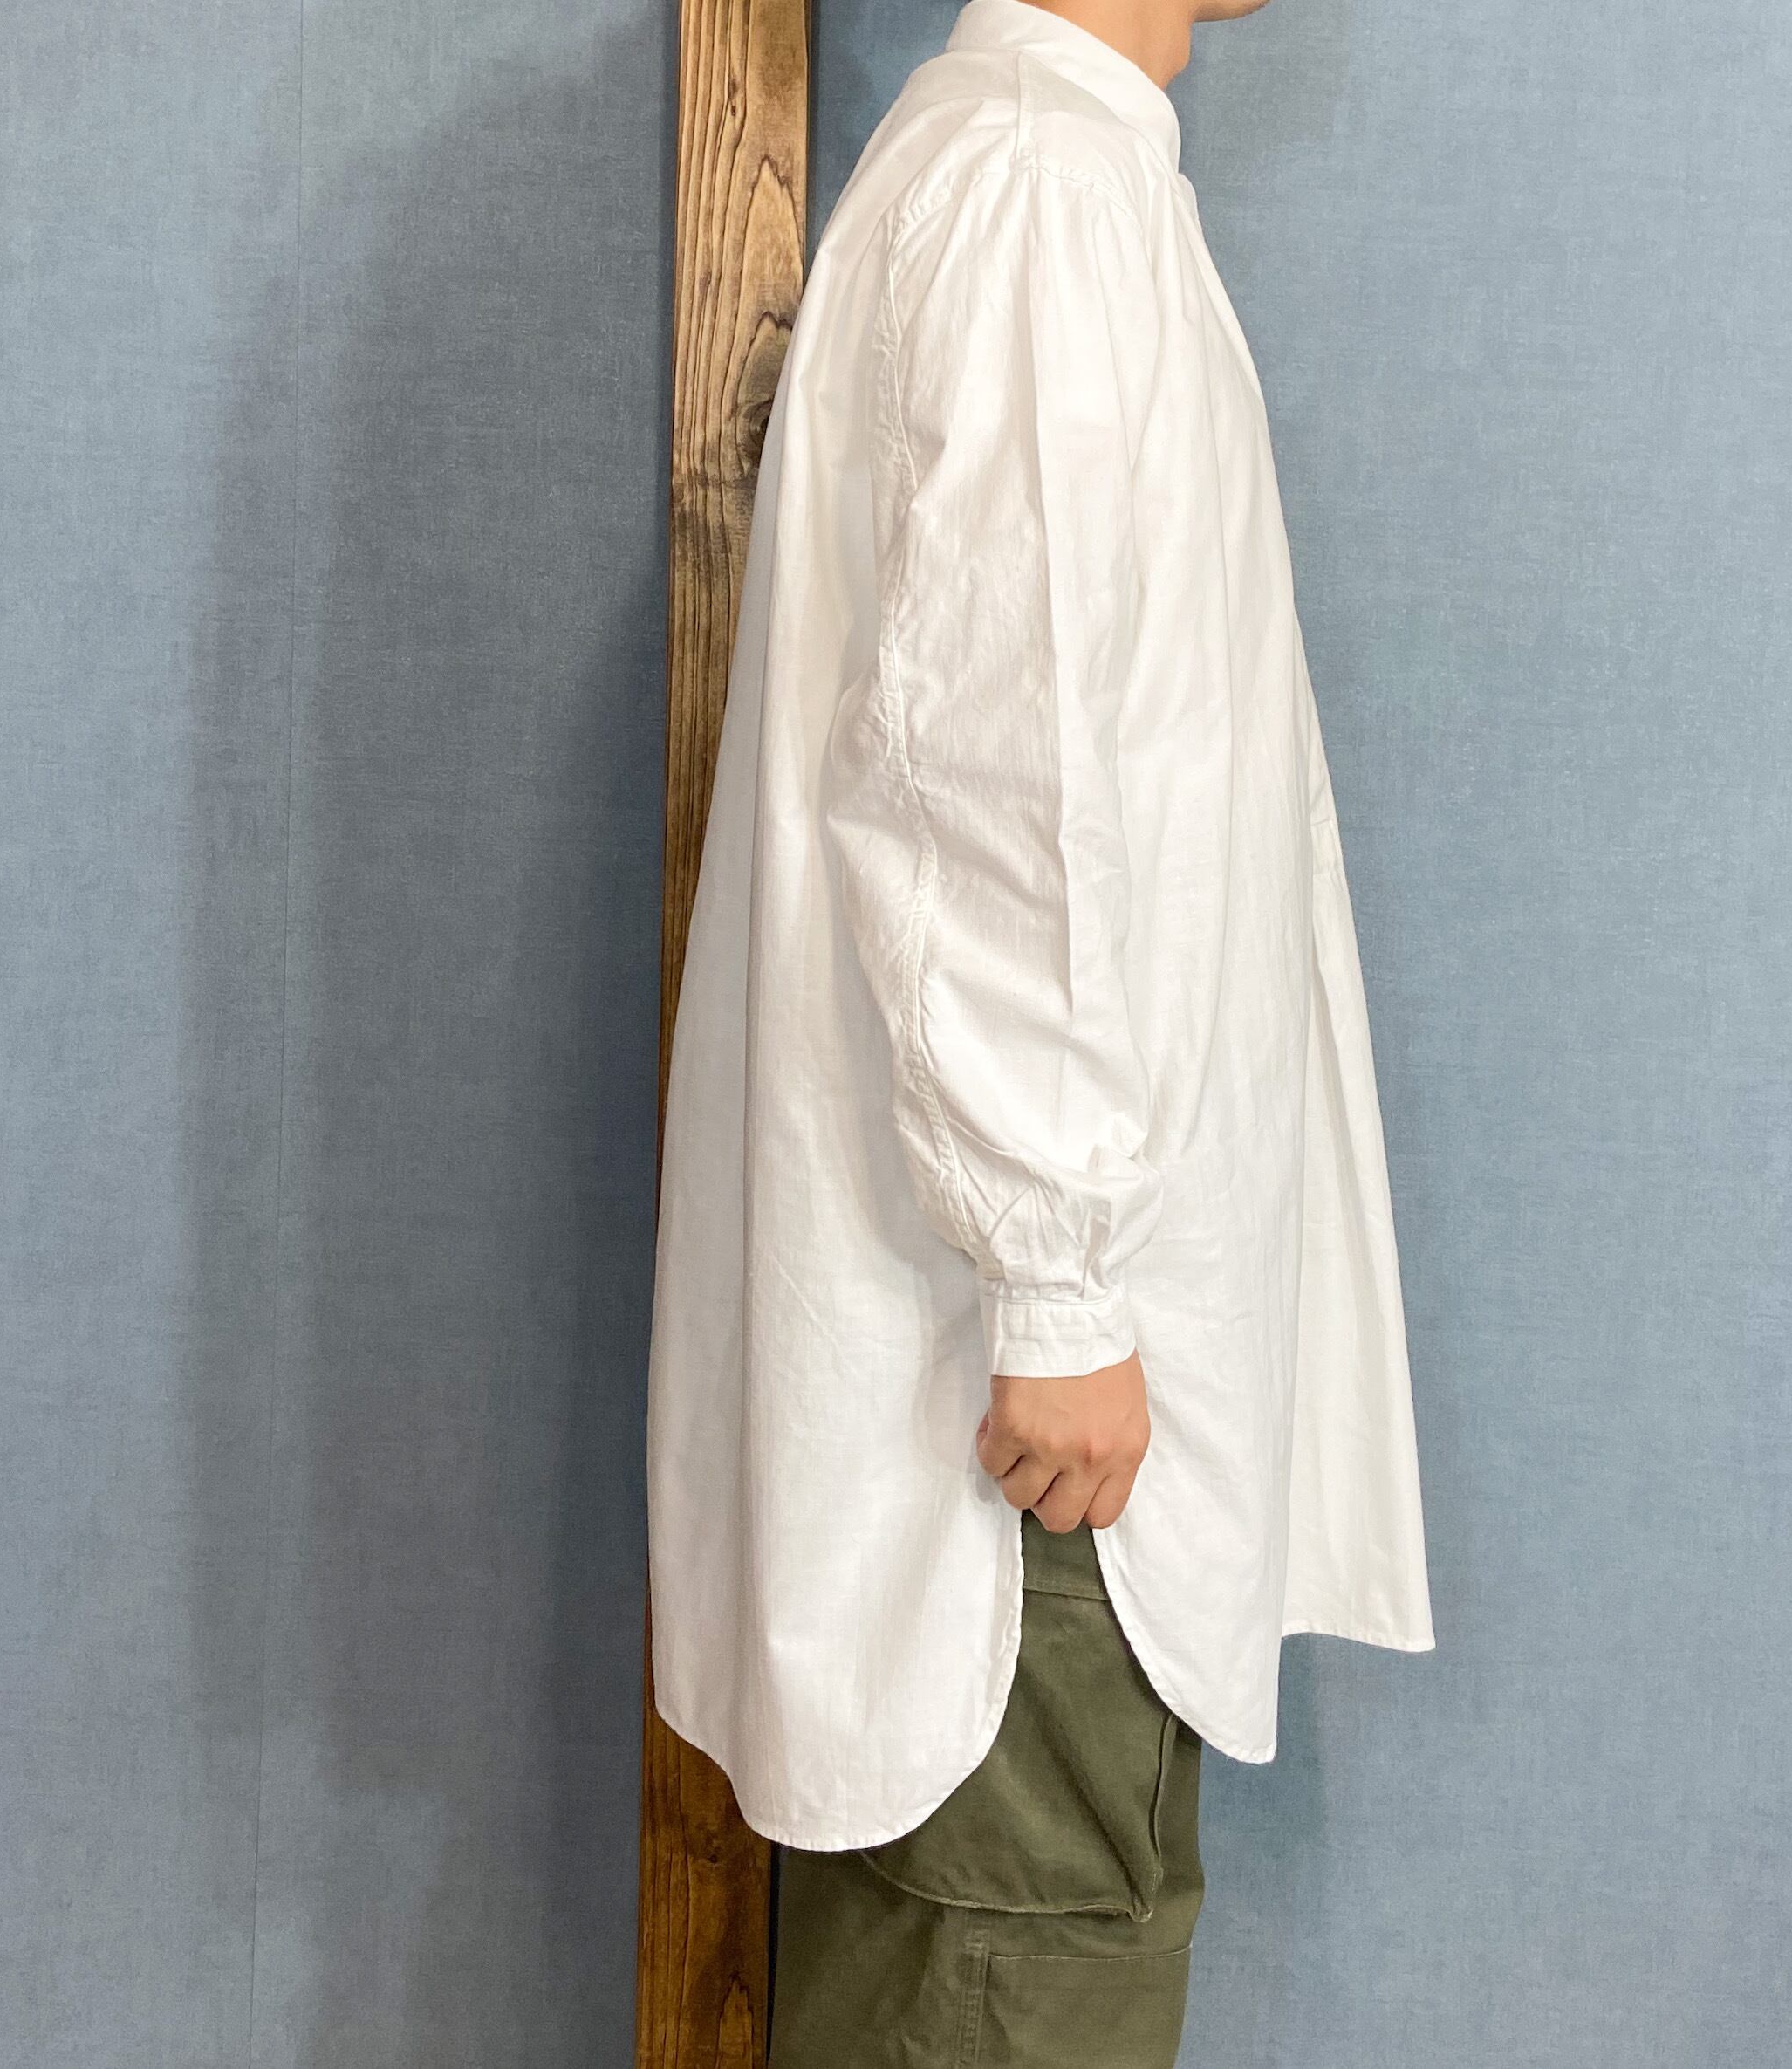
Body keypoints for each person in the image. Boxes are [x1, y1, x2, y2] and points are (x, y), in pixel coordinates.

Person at [645, 1, 1436, 2059]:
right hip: (1025, 1412)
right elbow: (1001, 777)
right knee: (1013, 1967)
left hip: (1045, 1361)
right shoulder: (1037, 198)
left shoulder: (1048, 174)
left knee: (1022, 1950)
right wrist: (1056, 1279)